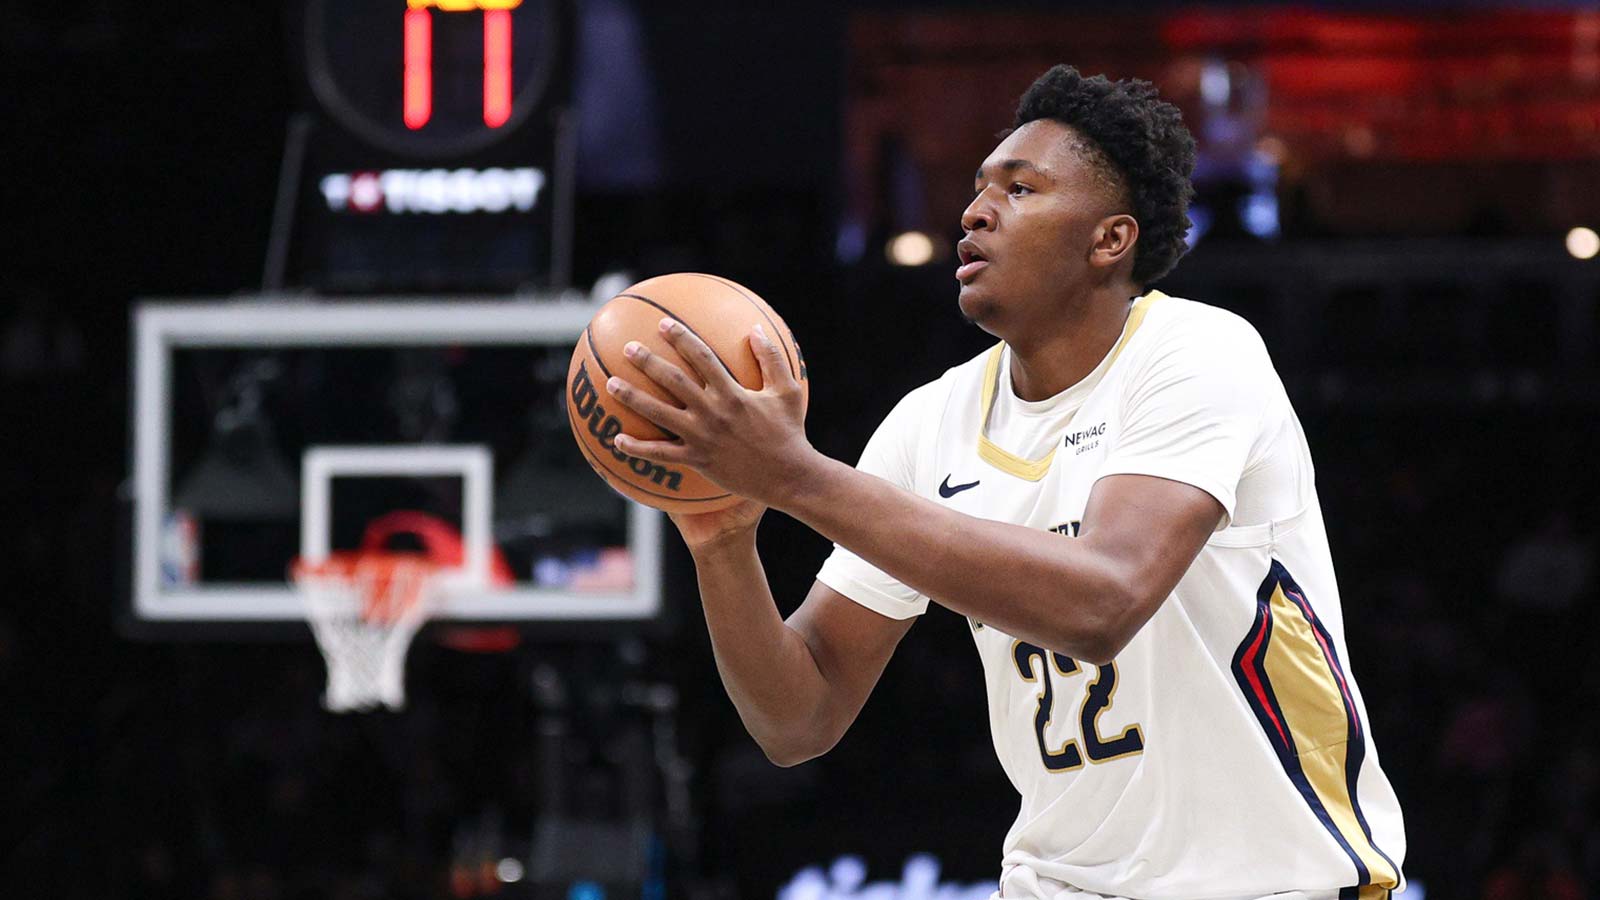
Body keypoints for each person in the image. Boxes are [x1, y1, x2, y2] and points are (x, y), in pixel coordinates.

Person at [602, 65, 1406, 900]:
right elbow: (798, 719)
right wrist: (723, 541)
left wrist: (795, 475)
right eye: (980, 187)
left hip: (1272, 885)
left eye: (1020, 189)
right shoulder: (929, 422)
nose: (975, 210)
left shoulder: (1198, 353)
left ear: (1110, 240)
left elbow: (1102, 603)